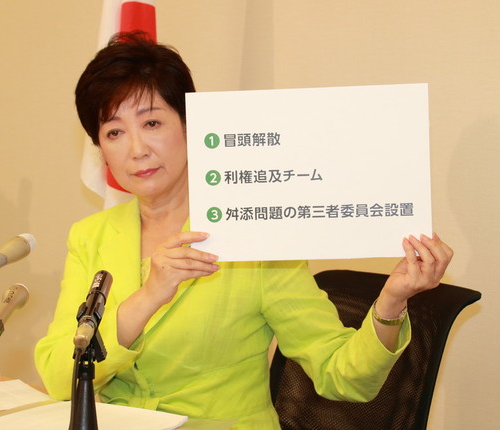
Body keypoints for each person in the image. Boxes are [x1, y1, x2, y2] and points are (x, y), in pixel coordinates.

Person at [35, 32, 453, 429]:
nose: (137, 150)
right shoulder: (91, 236)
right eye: (114, 132)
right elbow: (59, 376)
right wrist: (147, 297)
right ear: (101, 150)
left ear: (190, 126)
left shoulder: (253, 230)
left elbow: (341, 375)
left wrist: (391, 303)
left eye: (152, 124)